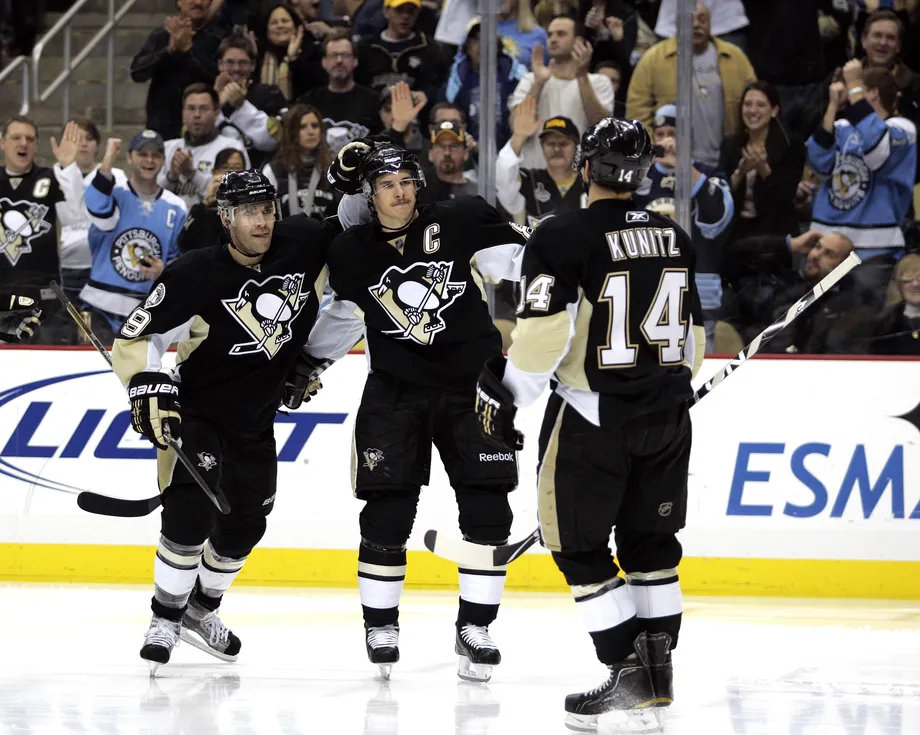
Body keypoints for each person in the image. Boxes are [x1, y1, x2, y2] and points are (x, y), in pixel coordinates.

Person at [471, 117, 705, 731]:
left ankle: (626, 667)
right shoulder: (674, 236)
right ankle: (658, 674)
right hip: (667, 416)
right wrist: (664, 389)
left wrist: (510, 396)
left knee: (574, 544)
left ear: (585, 166)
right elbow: (695, 338)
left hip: (591, 417)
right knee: (652, 545)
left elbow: (545, 332)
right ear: (642, 172)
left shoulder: (562, 234)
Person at [305, 140, 531, 682]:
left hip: (472, 387)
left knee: (488, 509)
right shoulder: (352, 250)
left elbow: (528, 266)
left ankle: (475, 627)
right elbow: (343, 317)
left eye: (406, 181)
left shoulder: (462, 219)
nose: (399, 192)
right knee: (387, 510)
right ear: (370, 194)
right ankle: (380, 624)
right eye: (386, 185)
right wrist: (308, 364)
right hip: (395, 390)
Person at [111, 170, 332, 671]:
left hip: (257, 417)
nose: (262, 221)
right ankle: (164, 617)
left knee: (246, 524)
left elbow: (356, 248)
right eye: (250, 212)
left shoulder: (302, 245)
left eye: (268, 209)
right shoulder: (194, 273)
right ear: (227, 217)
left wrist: (313, 362)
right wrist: (146, 384)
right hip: (200, 412)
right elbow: (136, 338)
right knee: (189, 515)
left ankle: (200, 610)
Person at [808, 60, 916, 306]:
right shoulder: (842, 125)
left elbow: (876, 151)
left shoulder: (902, 129)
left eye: (856, 89)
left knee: (857, 318)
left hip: (872, 249)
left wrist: (855, 84)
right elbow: (818, 162)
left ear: (872, 93)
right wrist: (833, 106)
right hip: (825, 239)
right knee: (814, 316)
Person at [634, 103, 733, 349]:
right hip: (647, 290)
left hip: (698, 293)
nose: (666, 141)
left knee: (698, 366)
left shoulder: (710, 174)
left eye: (673, 134)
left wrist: (684, 167)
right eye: (660, 135)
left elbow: (718, 221)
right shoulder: (638, 177)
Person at [80, 132, 187, 344]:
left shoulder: (176, 206)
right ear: (129, 157)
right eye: (142, 153)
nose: (149, 160)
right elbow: (97, 207)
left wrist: (163, 271)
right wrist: (108, 158)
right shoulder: (113, 194)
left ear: (163, 160)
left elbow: (179, 260)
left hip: (143, 314)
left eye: (155, 155)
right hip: (98, 306)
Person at [626, 2, 756, 167]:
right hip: (671, 165)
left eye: (702, 19)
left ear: (710, 23)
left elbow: (754, 105)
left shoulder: (735, 58)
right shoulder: (653, 60)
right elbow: (637, 113)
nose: (696, 25)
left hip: (724, 164)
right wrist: (659, 155)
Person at [508, 16, 615, 168]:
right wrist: (539, 83)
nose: (553, 39)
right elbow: (516, 125)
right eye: (550, 34)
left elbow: (601, 128)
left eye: (561, 34)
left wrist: (582, 77)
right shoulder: (531, 80)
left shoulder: (599, 82)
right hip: (534, 177)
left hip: (580, 179)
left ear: (578, 42)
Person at [0, 115, 68, 344]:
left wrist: (68, 171)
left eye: (29, 139)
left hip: (43, 297)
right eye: (16, 137)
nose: (23, 143)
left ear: (36, 146)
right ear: (3, 142)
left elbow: (76, 217)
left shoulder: (50, 178)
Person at [53, 117, 129, 303]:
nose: (83, 144)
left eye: (89, 138)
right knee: (66, 328)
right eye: (76, 138)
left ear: (97, 145)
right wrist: (67, 168)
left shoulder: (116, 175)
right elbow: (75, 214)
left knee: (101, 329)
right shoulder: (55, 175)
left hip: (106, 264)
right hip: (68, 265)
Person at [718, 81, 805, 241]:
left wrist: (763, 169)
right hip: (736, 233)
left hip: (775, 233)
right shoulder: (730, 145)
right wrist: (740, 172)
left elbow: (785, 197)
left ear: (774, 111)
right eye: (748, 104)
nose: (752, 110)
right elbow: (719, 195)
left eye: (760, 105)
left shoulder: (791, 145)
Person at [130, 0, 226, 140]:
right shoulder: (161, 35)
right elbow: (137, 72)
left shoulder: (220, 38)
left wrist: (189, 51)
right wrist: (170, 50)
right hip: (163, 127)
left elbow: (220, 77)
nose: (198, 2)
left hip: (206, 127)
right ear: (179, 2)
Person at [158, 84, 251, 209]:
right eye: (191, 108)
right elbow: (149, 194)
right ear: (183, 113)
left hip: (214, 225)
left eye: (203, 108)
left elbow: (239, 194)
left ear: (216, 113)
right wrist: (172, 176)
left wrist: (192, 174)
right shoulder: (168, 148)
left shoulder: (232, 149)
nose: (197, 114)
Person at [496, 99, 586, 227]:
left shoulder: (589, 183)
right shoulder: (528, 180)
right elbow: (502, 179)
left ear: (576, 147)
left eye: (563, 144)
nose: (556, 149)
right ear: (542, 147)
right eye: (550, 144)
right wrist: (519, 137)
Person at [443, 17, 528, 152]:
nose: (482, 45)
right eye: (476, 39)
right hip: (468, 155)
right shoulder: (458, 78)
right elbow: (446, 118)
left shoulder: (515, 75)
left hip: (512, 153)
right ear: (467, 46)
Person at [354, 0, 447, 120]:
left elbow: (440, 85)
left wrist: (426, 94)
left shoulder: (429, 48)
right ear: (386, 12)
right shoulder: (366, 47)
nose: (405, 16)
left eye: (411, 11)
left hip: (415, 120)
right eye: (399, 11)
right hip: (372, 119)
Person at [297, 30, 383, 155]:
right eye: (333, 55)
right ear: (324, 62)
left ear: (355, 61)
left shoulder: (373, 101)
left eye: (345, 55)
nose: (339, 60)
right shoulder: (309, 102)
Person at [214, 32, 288, 171]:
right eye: (230, 62)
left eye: (242, 63)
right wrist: (216, 105)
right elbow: (196, 138)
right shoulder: (206, 97)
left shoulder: (269, 94)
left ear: (253, 65)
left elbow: (273, 141)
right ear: (220, 64)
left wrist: (242, 107)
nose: (236, 68)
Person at [262, 105, 340, 219]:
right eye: (303, 127)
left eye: (315, 126)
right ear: (292, 132)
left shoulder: (333, 169)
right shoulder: (273, 170)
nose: (311, 132)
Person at [178, 148, 248, 252]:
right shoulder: (202, 209)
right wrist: (205, 203)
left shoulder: (253, 208)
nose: (231, 174)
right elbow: (184, 244)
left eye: (237, 169)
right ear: (214, 173)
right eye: (225, 168)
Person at [421, 121, 479, 203]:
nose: (447, 153)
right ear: (430, 154)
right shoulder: (419, 191)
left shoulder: (478, 194)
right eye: (440, 146)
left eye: (454, 146)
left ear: (465, 153)